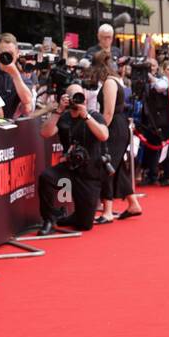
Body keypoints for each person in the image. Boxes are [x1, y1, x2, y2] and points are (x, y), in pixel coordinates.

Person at [38, 83, 110, 234]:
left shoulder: (93, 115)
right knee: (46, 177)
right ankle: (49, 219)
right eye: (73, 97)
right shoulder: (63, 117)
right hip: (69, 167)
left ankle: (73, 216)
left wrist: (86, 117)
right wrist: (58, 110)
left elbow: (104, 135)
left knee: (84, 225)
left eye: (80, 97)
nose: (77, 101)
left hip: (90, 171)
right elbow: (45, 133)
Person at [93, 53, 142, 222]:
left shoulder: (109, 83)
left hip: (114, 127)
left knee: (105, 166)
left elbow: (108, 114)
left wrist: (98, 129)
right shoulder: (113, 81)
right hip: (117, 126)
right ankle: (133, 203)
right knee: (118, 167)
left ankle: (107, 211)